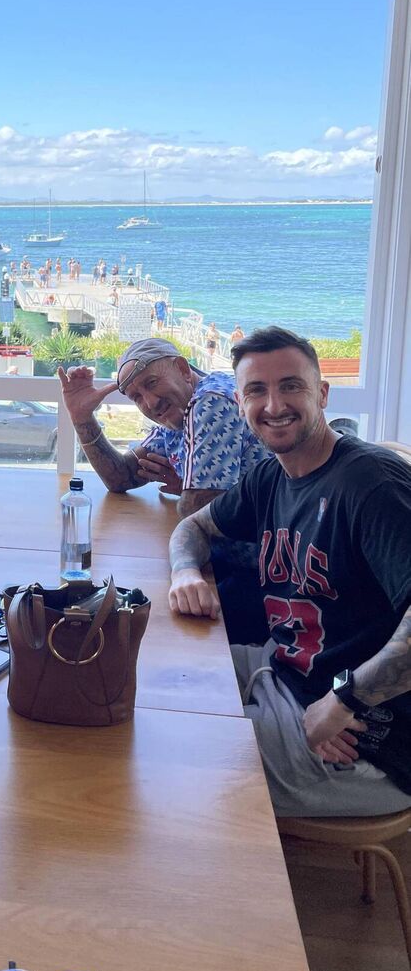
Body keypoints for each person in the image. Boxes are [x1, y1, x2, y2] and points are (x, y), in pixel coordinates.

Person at [167, 326, 411, 817]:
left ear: (321, 393)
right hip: (287, 677)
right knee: (162, 680)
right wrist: (184, 572)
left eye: (291, 386)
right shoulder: (272, 475)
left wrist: (345, 701)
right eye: (257, 390)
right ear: (240, 403)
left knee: (179, 762)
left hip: (369, 738)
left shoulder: (371, 485)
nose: (274, 404)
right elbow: (192, 526)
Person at [58, 338, 270, 642]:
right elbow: (121, 478)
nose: (150, 402)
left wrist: (189, 484)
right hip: (231, 561)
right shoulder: (178, 415)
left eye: (152, 383)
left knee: (139, 623)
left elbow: (197, 511)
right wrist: (81, 419)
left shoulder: (210, 400)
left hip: (263, 576)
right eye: (136, 397)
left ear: (183, 369)